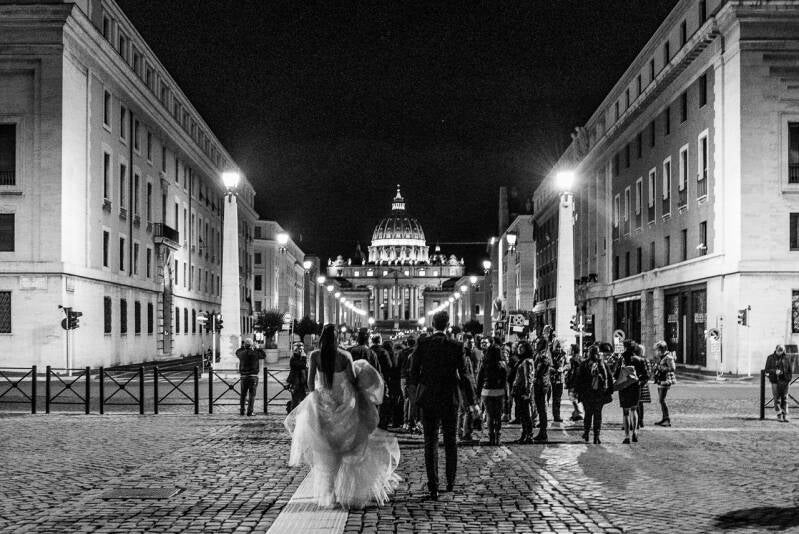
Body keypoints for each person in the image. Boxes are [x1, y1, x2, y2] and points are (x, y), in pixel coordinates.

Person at [284, 324, 401, 509]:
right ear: (337, 338)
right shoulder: (345, 356)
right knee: (350, 449)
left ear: (322, 338)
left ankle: (329, 492)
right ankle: (347, 490)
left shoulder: (315, 355)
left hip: (323, 405)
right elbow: (353, 381)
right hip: (346, 406)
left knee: (327, 451)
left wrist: (317, 398)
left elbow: (310, 383)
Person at [410, 311, 478, 501]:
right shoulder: (456, 346)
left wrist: (415, 399)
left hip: (428, 398)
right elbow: (464, 376)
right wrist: (472, 402)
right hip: (450, 399)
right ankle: (450, 481)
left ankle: (433, 486)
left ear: (432, 324)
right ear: (448, 325)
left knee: (430, 443)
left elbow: (413, 373)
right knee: (450, 442)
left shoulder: (422, 344)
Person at [574, 345, 614, 444]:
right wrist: (609, 391)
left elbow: (578, 379)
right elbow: (609, 378)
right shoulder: (603, 364)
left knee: (588, 414)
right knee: (598, 415)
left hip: (587, 395)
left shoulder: (584, 364)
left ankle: (586, 433)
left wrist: (578, 392)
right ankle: (596, 436)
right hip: (599, 395)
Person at [614, 339, 648, 443]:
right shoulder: (639, 359)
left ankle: (627, 436)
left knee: (625, 412)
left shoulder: (622, 359)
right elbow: (646, 376)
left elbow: (616, 374)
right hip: (635, 387)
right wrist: (639, 383)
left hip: (624, 387)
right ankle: (635, 433)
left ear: (625, 347)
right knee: (634, 409)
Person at [476, 345, 508, 446]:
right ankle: (498, 437)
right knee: (498, 416)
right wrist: (506, 394)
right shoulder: (502, 364)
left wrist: (477, 393)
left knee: (489, 415)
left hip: (487, 392)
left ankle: (491, 437)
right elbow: (504, 381)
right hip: (499, 392)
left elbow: (479, 380)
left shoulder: (484, 364)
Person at [511, 341, 535, 443]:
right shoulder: (521, 360)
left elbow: (529, 378)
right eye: (518, 347)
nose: (519, 349)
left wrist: (527, 393)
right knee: (522, 414)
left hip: (523, 391)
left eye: (522, 348)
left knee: (525, 414)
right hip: (518, 390)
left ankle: (529, 435)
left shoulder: (527, 361)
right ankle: (524, 434)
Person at [236, 338, 264, 416]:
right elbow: (263, 355)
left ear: (244, 345)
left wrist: (244, 346)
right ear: (251, 345)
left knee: (243, 394)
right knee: (252, 395)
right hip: (253, 376)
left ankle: (242, 411)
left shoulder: (241, 353)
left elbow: (237, 351)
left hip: (244, 376)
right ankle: (250, 411)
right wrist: (257, 348)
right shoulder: (255, 353)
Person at [531, 341, 553, 442]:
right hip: (541, 383)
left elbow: (540, 369)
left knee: (541, 408)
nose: (536, 345)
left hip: (542, 384)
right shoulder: (540, 354)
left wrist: (535, 375)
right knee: (540, 408)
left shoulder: (543, 356)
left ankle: (543, 432)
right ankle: (542, 431)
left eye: (538, 344)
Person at [765, 344, 792, 422]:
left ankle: (785, 415)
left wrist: (789, 379)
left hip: (785, 380)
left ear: (783, 351)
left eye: (781, 351)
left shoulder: (787, 358)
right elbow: (767, 369)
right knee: (776, 398)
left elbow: (790, 370)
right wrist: (774, 371)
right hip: (775, 380)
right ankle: (779, 414)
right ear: (775, 350)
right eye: (778, 351)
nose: (779, 353)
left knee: (785, 398)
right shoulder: (770, 357)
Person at [371, 336, 394, 429]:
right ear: (379, 341)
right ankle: (381, 422)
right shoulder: (383, 351)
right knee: (382, 401)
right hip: (381, 378)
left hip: (370, 379)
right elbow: (389, 365)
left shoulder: (369, 350)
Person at [652, 340, 676, 426]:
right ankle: (664, 418)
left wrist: (661, 368)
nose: (657, 351)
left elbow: (672, 368)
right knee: (661, 400)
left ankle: (667, 419)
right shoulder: (661, 357)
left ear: (662, 349)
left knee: (662, 400)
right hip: (660, 380)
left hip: (665, 380)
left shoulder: (668, 357)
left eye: (658, 349)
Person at [287, 341, 309, 412]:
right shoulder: (294, 358)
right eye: (299, 349)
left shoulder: (301, 357)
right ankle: (293, 415)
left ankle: (301, 414)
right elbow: (301, 365)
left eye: (302, 349)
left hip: (302, 382)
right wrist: (303, 358)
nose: (301, 351)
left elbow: (305, 368)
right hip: (295, 382)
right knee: (295, 400)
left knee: (303, 399)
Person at [564, 344, 584, 422]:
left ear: (573, 350)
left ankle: (579, 413)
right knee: (576, 397)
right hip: (579, 381)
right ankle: (576, 413)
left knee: (573, 398)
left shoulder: (573, 359)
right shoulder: (581, 358)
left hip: (574, 381)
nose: (569, 350)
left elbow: (572, 371)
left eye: (570, 349)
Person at [634, 343, 652, 429]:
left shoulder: (642, 360)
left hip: (641, 383)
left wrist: (642, 381)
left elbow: (648, 373)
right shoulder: (645, 360)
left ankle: (639, 421)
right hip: (642, 383)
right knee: (639, 403)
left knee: (638, 403)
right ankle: (640, 421)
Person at [550, 341, 567, 423]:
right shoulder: (550, 354)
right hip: (551, 379)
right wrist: (553, 369)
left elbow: (568, 364)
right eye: (557, 347)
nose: (558, 349)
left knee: (557, 399)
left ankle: (557, 415)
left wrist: (563, 368)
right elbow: (548, 365)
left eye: (559, 347)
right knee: (550, 398)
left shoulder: (563, 355)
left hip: (560, 379)